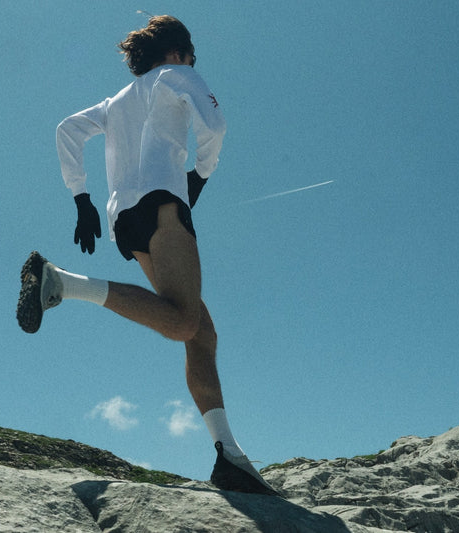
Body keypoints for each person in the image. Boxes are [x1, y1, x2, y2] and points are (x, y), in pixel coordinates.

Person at [16, 15, 278, 496]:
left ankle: (229, 455)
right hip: (162, 207)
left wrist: (81, 197)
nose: (192, 62)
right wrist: (200, 175)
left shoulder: (117, 101)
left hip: (126, 220)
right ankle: (61, 282)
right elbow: (215, 125)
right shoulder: (177, 74)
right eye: (191, 55)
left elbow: (67, 129)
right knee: (184, 324)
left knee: (202, 332)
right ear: (177, 52)